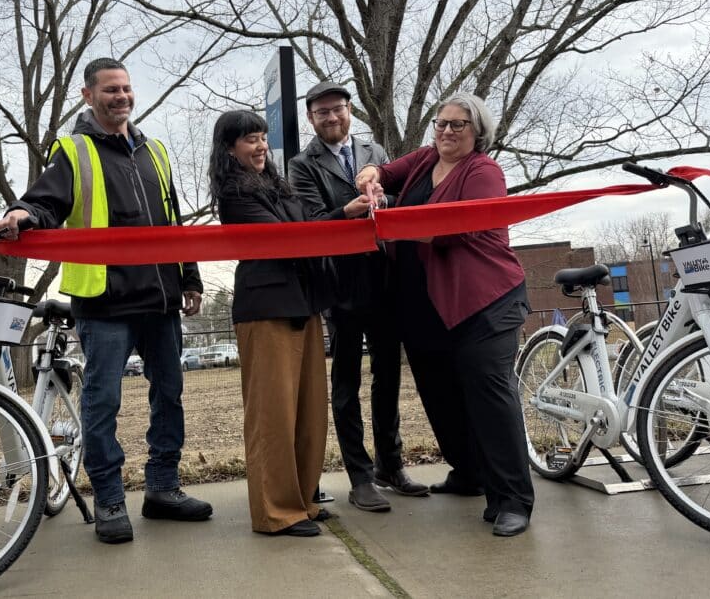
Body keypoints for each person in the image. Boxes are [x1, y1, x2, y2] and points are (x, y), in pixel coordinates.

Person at [0, 58, 211, 544]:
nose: (122, 97)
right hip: (105, 303)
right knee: (102, 403)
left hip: (161, 301)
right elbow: (46, 201)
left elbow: (173, 220)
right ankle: (110, 500)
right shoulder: (74, 150)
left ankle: (163, 489)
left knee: (169, 395)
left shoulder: (155, 150)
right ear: (88, 96)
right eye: (111, 89)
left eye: (127, 88)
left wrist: (190, 277)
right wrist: (23, 213)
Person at [355, 92, 535, 537]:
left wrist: (396, 216)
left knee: (489, 396)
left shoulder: (484, 171)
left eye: (459, 125)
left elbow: (462, 225)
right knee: (440, 397)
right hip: (422, 307)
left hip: (483, 302)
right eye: (441, 123)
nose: (447, 131)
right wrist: (372, 175)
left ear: (478, 133)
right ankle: (470, 473)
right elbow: (387, 170)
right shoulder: (425, 159)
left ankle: (513, 498)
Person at [209, 110, 357, 536]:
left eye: (261, 137)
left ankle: (304, 499)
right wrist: (338, 220)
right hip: (267, 309)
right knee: (273, 415)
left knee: (309, 411)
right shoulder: (235, 193)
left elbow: (305, 228)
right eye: (249, 140)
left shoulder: (275, 184)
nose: (259, 146)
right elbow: (287, 240)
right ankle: (276, 512)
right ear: (229, 148)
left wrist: (342, 215)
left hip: (304, 303)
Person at [288, 81, 428, 513]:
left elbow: (396, 201)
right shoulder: (301, 165)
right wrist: (347, 211)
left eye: (338, 109)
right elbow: (311, 223)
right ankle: (360, 476)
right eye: (322, 112)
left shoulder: (377, 153)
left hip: (385, 279)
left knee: (388, 376)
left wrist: (383, 201)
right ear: (311, 119)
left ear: (351, 111)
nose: (332, 118)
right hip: (341, 285)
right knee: (346, 382)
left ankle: (391, 464)